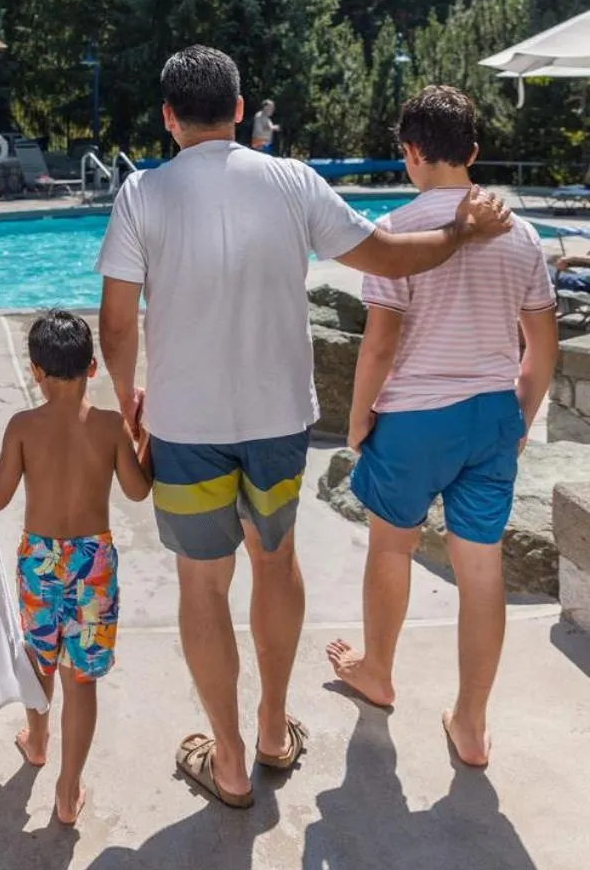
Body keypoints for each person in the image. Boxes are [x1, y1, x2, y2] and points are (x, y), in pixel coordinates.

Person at [96, 46, 512, 810]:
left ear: (167, 118)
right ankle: (271, 730)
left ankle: (225, 760)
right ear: (240, 106)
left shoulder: (140, 195)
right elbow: (384, 253)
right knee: (275, 560)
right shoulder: (289, 180)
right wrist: (459, 233)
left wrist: (128, 406)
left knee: (202, 584)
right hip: (278, 420)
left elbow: (117, 326)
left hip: (186, 425)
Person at [326, 86, 558, 767]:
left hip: (414, 420)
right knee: (480, 566)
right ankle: (472, 724)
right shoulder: (521, 236)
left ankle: (377, 672)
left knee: (392, 549)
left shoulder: (397, 232)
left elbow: (379, 345)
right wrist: (521, 417)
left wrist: (358, 419)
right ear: (474, 152)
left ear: (411, 152)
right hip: (491, 415)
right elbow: (539, 347)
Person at [0, 310, 151, 824]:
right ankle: (67, 788)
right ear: (94, 368)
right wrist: (143, 438)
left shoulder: (22, 426)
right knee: (82, 678)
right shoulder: (108, 426)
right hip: (92, 563)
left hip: (39, 561)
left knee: (40, 658)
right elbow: (138, 490)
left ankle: (37, 742)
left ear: (36, 370)